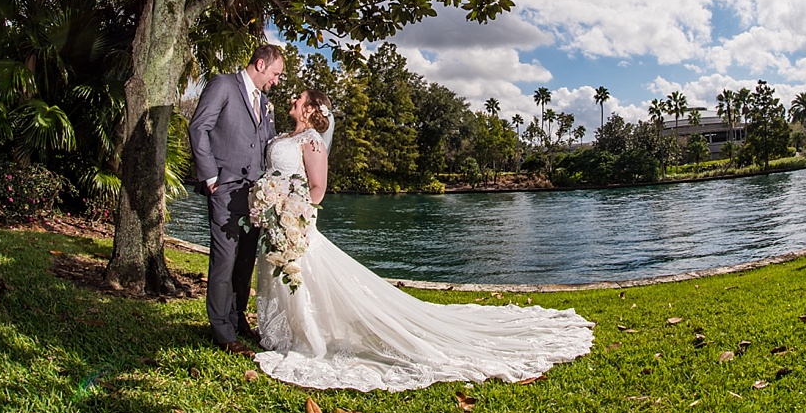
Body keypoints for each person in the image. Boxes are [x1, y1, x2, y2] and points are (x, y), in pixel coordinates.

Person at [252, 89, 595, 392]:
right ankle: (283, 331)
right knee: (289, 277)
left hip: (293, 221)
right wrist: (270, 204)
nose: (293, 99)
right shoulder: (285, 135)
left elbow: (317, 189)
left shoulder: (311, 141)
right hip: (274, 219)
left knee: (304, 277)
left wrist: (290, 214)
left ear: (312, 109)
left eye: (300, 97)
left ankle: (304, 336)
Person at [188, 43, 285, 357]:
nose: (276, 80)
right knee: (225, 260)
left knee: (245, 260)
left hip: (256, 194)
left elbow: (267, 144)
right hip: (225, 190)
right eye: (275, 73)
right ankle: (221, 332)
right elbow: (198, 126)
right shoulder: (223, 85)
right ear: (259, 64)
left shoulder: (266, 102)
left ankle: (237, 317)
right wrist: (210, 175)